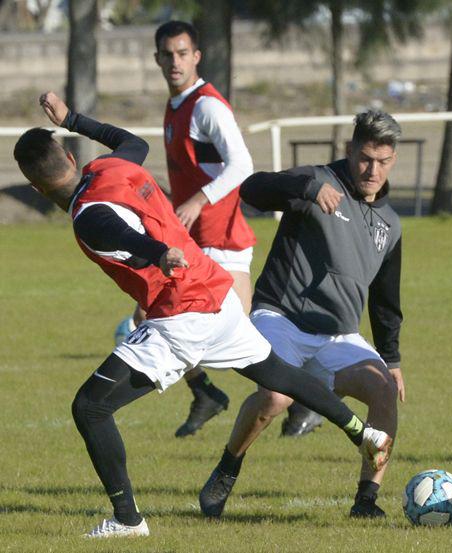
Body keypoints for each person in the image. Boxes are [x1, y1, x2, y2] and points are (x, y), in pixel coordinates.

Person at [13, 92, 391, 538]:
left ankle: (127, 521)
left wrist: (158, 252)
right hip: (218, 294)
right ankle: (360, 431)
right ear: (73, 158)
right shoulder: (110, 167)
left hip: (181, 318)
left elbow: (111, 230)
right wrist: (73, 118)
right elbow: (131, 141)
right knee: (275, 371)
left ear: (36, 188)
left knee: (90, 408)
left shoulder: (85, 215)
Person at [198, 109, 405, 520]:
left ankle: (366, 500)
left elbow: (385, 298)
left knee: (383, 390)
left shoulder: (391, 224)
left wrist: (393, 360)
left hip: (338, 336)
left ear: (393, 159)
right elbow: (252, 190)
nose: (371, 169)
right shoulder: (319, 180)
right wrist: (307, 188)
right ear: (349, 150)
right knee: (274, 396)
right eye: (365, 158)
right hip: (281, 319)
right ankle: (228, 466)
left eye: (382, 161)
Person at [150, 20, 258, 437]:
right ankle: (206, 394)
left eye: (182, 53)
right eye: (167, 54)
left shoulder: (208, 106)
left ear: (196, 56)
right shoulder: (176, 105)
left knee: (248, 343)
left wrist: (198, 200)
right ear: (157, 58)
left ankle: (309, 396)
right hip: (196, 242)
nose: (175, 62)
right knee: (152, 312)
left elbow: (243, 165)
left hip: (222, 241)